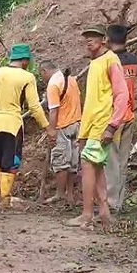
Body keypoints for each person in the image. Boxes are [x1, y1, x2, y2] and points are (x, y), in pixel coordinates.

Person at [64, 25, 128, 230]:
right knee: (97, 167)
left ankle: (86, 214)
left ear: (104, 40)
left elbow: (122, 95)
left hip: (102, 122)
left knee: (88, 165)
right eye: (87, 38)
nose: (89, 41)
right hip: (91, 124)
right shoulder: (96, 63)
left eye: (93, 38)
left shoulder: (110, 60)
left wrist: (112, 126)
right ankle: (104, 211)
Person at [0, 44, 51, 210]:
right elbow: (34, 106)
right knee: (9, 161)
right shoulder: (26, 77)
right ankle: (4, 199)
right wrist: (47, 126)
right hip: (12, 123)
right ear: (25, 61)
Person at [104, 24, 137, 212]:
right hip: (129, 115)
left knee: (111, 162)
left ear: (108, 40)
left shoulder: (109, 61)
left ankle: (111, 203)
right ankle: (119, 201)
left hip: (114, 117)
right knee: (122, 161)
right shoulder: (134, 59)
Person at [40, 61, 82, 205]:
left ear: (44, 71)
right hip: (76, 124)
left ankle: (60, 194)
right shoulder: (70, 79)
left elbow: (54, 110)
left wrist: (52, 130)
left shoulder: (53, 84)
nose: (42, 78)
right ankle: (70, 195)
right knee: (73, 163)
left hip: (62, 126)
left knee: (61, 162)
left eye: (42, 75)